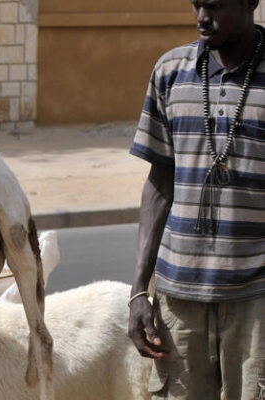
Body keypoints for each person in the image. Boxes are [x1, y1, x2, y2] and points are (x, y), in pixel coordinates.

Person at [128, 0, 265, 398]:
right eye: (196, 3)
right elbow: (158, 184)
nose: (202, 16)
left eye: (216, 4)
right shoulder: (170, 72)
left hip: (256, 300)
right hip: (178, 302)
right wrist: (139, 291)